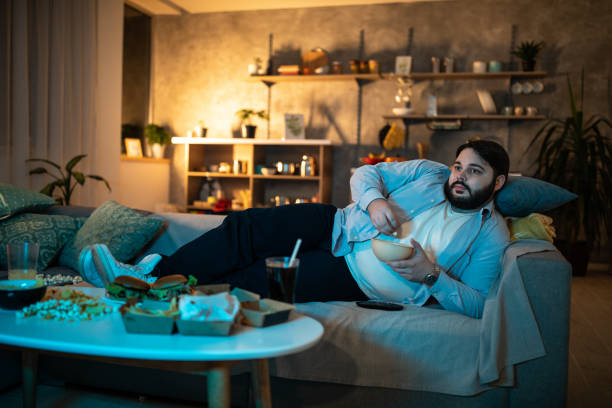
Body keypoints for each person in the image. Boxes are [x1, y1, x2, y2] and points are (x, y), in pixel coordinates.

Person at [80, 139, 510, 318]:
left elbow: (478, 304)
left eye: (474, 172)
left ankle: (159, 298)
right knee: (246, 228)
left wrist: (431, 276)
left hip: (354, 277)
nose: (459, 176)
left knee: (257, 280)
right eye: (459, 166)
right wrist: (375, 200)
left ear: (498, 182)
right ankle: (149, 274)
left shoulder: (491, 235)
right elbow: (364, 174)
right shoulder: (428, 173)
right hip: (338, 225)